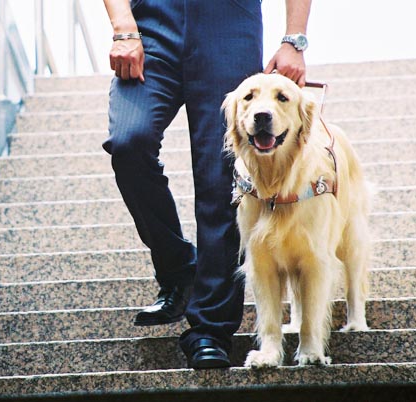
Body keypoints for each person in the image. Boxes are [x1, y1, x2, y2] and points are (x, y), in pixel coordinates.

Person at [102, 0, 311, 369]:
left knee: (221, 178)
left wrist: (293, 40)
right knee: (129, 142)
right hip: (151, 26)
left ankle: (210, 330)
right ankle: (179, 270)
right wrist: (124, 27)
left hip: (229, 24)